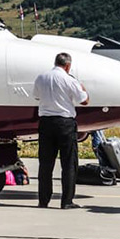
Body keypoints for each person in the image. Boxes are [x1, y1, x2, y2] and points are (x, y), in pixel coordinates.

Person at [33, 52, 89, 209]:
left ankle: (43, 200)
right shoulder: (70, 80)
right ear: (68, 65)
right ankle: (67, 200)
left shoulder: (41, 77)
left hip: (45, 122)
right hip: (65, 122)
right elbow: (84, 100)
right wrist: (83, 88)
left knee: (45, 163)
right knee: (69, 163)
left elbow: (36, 96)